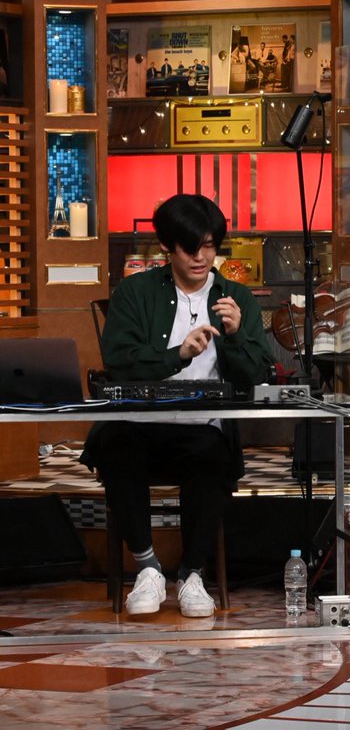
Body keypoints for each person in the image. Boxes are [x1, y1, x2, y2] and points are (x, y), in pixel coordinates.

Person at [80, 194, 274, 617]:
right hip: (139, 422)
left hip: (201, 424)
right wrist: (178, 355)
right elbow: (119, 361)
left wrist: (237, 336)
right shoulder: (135, 291)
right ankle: (148, 568)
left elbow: (256, 375)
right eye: (190, 248)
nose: (201, 257)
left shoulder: (236, 296)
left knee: (212, 453)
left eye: (209, 246)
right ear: (167, 246)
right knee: (115, 443)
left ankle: (191, 575)